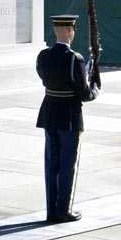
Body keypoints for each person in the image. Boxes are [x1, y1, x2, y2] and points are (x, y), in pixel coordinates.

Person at [36, 14, 99, 223]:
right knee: (67, 164)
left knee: (51, 164)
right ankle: (63, 210)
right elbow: (84, 94)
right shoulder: (75, 58)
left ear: (56, 31)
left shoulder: (43, 56)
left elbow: (47, 79)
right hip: (69, 116)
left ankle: (51, 211)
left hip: (49, 113)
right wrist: (95, 88)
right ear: (69, 31)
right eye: (73, 30)